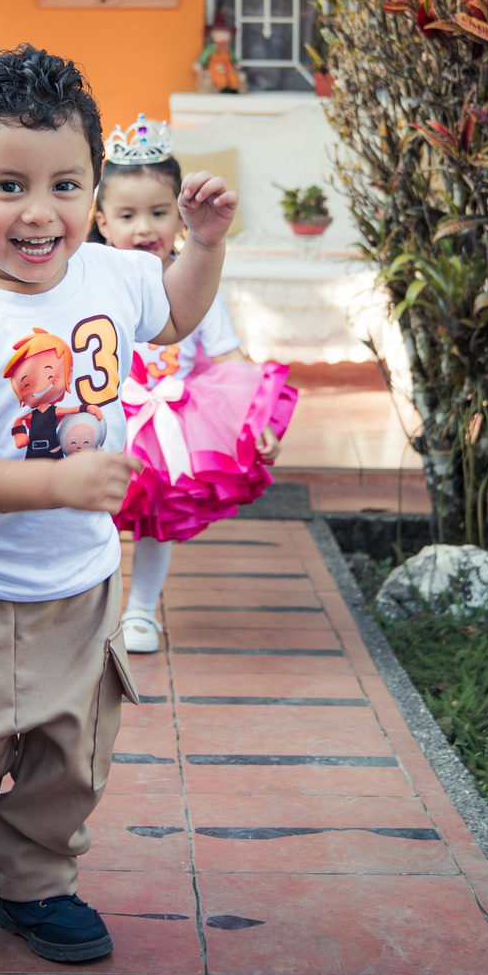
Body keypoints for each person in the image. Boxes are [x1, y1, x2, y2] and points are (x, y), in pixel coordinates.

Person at [0, 47, 237, 965]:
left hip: (77, 586)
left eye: (67, 184)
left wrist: (203, 246)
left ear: (93, 188)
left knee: (66, 756)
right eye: (8, 185)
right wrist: (58, 484)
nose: (40, 213)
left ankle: (36, 887)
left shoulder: (112, 275)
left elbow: (178, 317)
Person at [92, 114, 299, 654]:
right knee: (91, 518)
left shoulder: (194, 285)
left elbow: (229, 359)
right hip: (104, 421)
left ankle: (141, 613)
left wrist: (254, 425)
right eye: (128, 215)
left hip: (169, 429)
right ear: (101, 221)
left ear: (181, 217)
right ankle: (91, 613)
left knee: (157, 520)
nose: (144, 228)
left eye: (159, 212)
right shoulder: (90, 281)